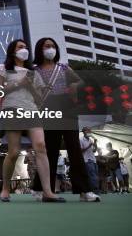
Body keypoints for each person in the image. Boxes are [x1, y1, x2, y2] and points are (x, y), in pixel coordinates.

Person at [0, 39, 64, 202]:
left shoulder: (34, 72)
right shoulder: (2, 68)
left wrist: (31, 86)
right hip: (12, 109)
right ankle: (5, 188)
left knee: (41, 146)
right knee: (13, 151)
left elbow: (39, 99)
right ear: (12, 51)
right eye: (20, 47)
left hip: (32, 110)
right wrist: (19, 83)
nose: (24, 50)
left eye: (25, 47)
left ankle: (47, 191)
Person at [30, 38, 99, 202]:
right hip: (47, 108)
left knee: (74, 148)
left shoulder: (63, 67)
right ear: (40, 49)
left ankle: (85, 191)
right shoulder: (34, 70)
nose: (50, 48)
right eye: (47, 46)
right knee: (50, 151)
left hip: (67, 108)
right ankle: (41, 188)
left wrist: (75, 86)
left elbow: (79, 80)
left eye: (53, 46)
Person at [79, 127, 99, 192]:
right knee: (92, 174)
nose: (89, 132)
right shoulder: (81, 139)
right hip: (87, 159)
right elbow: (81, 151)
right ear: (84, 132)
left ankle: (92, 189)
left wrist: (95, 143)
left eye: (90, 131)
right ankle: (95, 189)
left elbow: (94, 150)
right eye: (88, 130)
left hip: (93, 159)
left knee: (94, 174)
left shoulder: (91, 140)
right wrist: (89, 146)